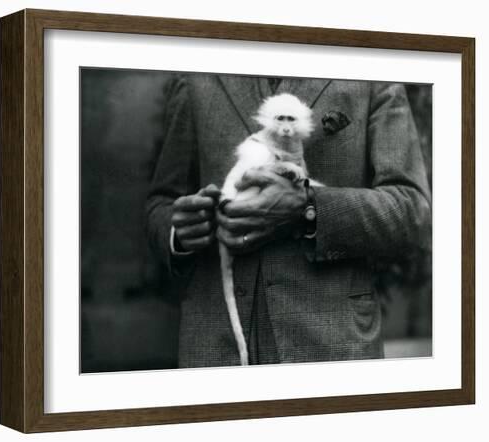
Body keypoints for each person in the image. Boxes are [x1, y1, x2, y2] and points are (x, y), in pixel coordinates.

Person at [145, 73, 431, 368]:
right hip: (214, 347)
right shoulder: (197, 74)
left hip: (330, 350)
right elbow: (161, 201)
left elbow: (412, 211)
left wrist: (308, 207)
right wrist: (180, 232)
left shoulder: (371, 71)